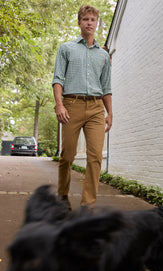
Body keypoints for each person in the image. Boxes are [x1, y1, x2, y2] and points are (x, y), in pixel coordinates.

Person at [52, 4, 112, 208]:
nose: (89, 23)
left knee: (95, 157)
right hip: (72, 105)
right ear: (79, 23)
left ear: (97, 24)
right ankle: (62, 196)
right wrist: (59, 104)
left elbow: (106, 87)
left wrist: (110, 112)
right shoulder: (66, 48)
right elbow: (58, 79)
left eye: (92, 20)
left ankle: (88, 205)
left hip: (96, 108)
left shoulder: (104, 55)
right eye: (85, 19)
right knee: (67, 155)